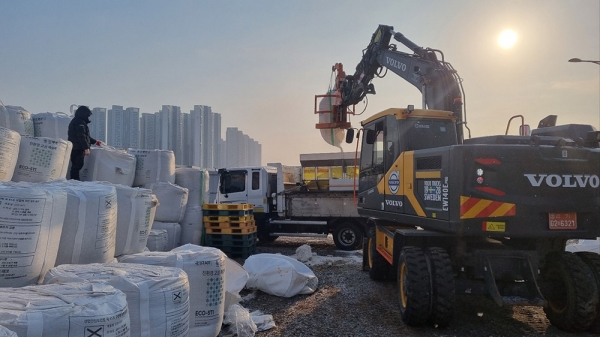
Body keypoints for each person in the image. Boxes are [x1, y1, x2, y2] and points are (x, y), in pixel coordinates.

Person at [68, 105, 102, 180]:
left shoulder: (78, 121)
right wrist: (86, 148)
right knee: (77, 166)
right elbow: (81, 137)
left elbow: (86, 137)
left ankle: (74, 181)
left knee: (77, 165)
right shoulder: (79, 123)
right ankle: (74, 182)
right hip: (77, 148)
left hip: (76, 147)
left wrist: (95, 142)